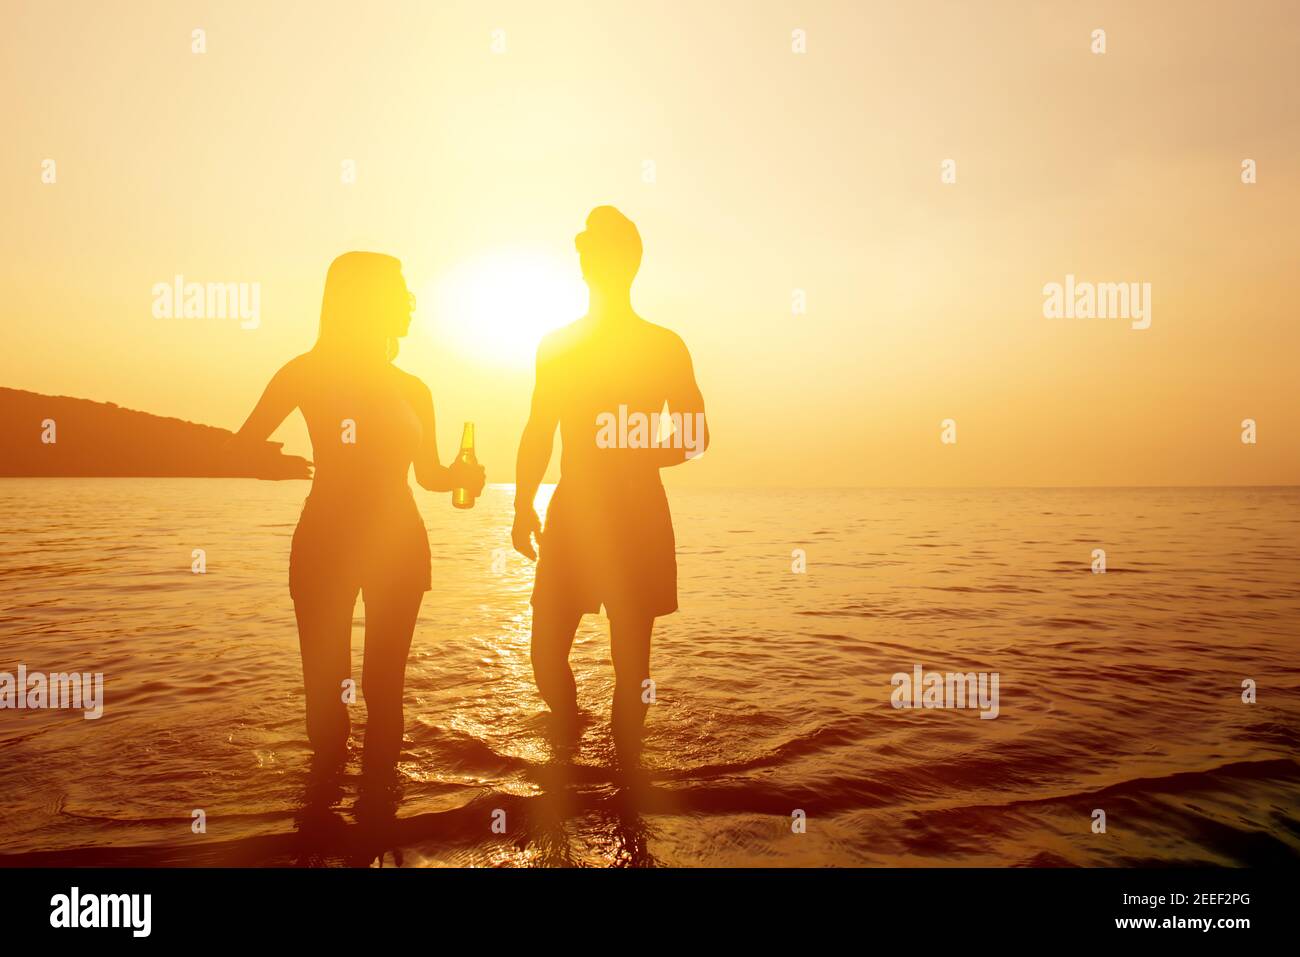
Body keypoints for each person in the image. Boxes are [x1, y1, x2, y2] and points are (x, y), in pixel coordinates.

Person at [234, 251, 484, 772]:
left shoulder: (414, 388)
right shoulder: (306, 372)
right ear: (365, 301)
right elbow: (243, 446)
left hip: (400, 544)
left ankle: (376, 817)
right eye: (399, 293)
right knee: (326, 690)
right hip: (327, 539)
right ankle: (323, 824)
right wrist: (277, 464)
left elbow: (431, 475)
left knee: (385, 688)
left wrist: (462, 478)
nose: (409, 304)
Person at [512, 207, 709, 768]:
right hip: (572, 509)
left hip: (637, 512)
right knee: (545, 651)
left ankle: (626, 777)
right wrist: (523, 502)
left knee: (631, 661)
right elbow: (537, 428)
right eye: (586, 255)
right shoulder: (558, 344)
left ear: (631, 264)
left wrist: (630, 448)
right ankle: (569, 736)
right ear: (582, 267)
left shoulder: (663, 346)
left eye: (603, 255)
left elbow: (696, 436)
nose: (592, 265)